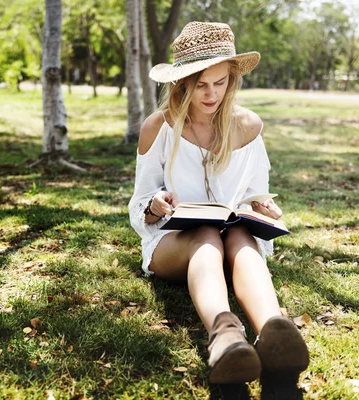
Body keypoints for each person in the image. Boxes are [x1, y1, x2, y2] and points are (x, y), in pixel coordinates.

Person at [128, 22, 309, 398]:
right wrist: (154, 205)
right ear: (183, 83)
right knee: (207, 233)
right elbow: (139, 204)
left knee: (238, 232)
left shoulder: (247, 126)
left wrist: (265, 205)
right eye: (201, 84)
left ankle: (274, 329)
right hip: (174, 242)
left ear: (231, 80)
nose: (212, 94)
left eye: (220, 82)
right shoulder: (159, 127)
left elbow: (257, 191)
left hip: (233, 241)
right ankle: (225, 337)